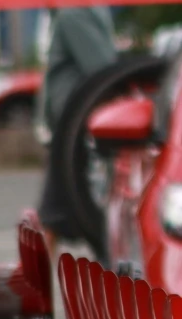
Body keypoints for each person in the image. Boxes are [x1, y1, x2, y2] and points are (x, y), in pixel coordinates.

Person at [36, 5, 118, 239]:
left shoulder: (74, 14)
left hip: (73, 127)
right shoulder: (67, 15)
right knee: (72, 213)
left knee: (53, 213)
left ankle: (36, 275)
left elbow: (101, 68)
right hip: (70, 126)